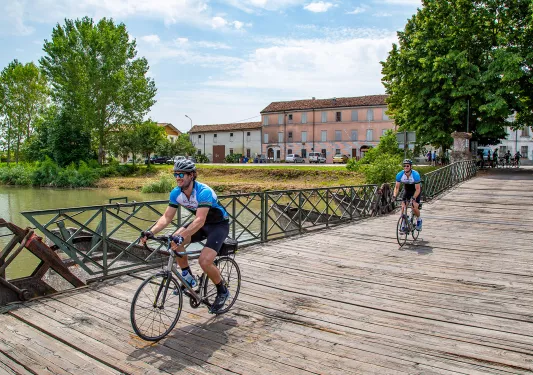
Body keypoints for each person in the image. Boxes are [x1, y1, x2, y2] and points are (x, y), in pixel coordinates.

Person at [140, 159, 231, 313]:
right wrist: (151, 232)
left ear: (191, 175)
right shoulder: (176, 193)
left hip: (218, 225)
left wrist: (183, 235)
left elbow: (200, 220)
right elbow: (166, 217)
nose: (178, 177)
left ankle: (222, 290)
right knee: (173, 240)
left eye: (181, 174)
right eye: (175, 174)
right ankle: (188, 276)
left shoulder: (204, 191)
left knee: (205, 261)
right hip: (199, 224)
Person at [393, 159, 422, 231]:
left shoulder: (415, 175)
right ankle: (403, 225)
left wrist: (414, 198)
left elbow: (418, 189)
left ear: (411, 167)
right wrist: (394, 196)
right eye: (404, 166)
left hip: (415, 191)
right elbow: (397, 187)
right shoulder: (400, 175)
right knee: (403, 207)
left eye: (407, 166)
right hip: (407, 190)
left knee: (414, 207)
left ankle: (419, 220)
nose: (406, 167)